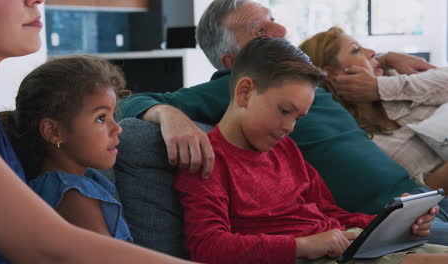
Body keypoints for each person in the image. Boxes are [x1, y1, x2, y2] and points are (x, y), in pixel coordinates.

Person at [118, 0, 433, 214]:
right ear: (233, 64)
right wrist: (167, 113)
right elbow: (126, 101)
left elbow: (342, 64)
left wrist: (387, 59)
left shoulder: (301, 83)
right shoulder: (233, 87)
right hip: (379, 214)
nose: (282, 32)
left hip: (415, 199)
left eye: (274, 21)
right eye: (259, 31)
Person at [175, 36, 448, 264]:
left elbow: (330, 213)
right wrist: (302, 246)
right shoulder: (208, 159)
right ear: (245, 92)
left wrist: (389, 223)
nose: (290, 127)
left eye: (297, 118)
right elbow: (207, 246)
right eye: (284, 111)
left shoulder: (286, 150)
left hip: (344, 245)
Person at [0, 0, 196, 263]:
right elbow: (54, 250)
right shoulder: (68, 189)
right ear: (52, 131)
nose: (36, 0)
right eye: (101, 118)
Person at [0, 55, 133, 242]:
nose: (117, 128)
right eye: (101, 118)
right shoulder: (71, 195)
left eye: (113, 115)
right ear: (53, 131)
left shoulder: (73, 184)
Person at [298, 26, 448, 191]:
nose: (372, 51)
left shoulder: (393, 80)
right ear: (331, 74)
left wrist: (382, 79)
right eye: (356, 51)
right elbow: (420, 193)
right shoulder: (363, 142)